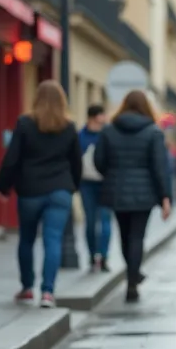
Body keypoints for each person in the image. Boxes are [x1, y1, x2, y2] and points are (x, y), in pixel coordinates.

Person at [0, 80, 82, 308]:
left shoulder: (25, 124)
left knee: (27, 239)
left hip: (31, 191)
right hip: (60, 190)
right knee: (53, 239)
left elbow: (12, 159)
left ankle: (27, 287)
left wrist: (2, 186)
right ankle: (48, 292)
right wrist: (73, 186)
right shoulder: (69, 127)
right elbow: (76, 162)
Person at [93, 90, 171, 303]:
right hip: (144, 192)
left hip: (117, 190)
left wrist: (112, 174)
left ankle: (132, 272)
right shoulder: (153, 132)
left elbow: (99, 161)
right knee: (137, 236)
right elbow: (159, 167)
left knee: (124, 235)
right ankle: (132, 281)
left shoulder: (109, 130)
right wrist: (165, 196)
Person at [77, 104, 112, 272]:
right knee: (90, 222)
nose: (104, 119)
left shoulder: (107, 135)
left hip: (106, 184)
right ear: (92, 117)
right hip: (86, 184)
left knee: (105, 221)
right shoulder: (80, 136)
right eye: (101, 116)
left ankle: (104, 256)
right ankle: (92, 255)